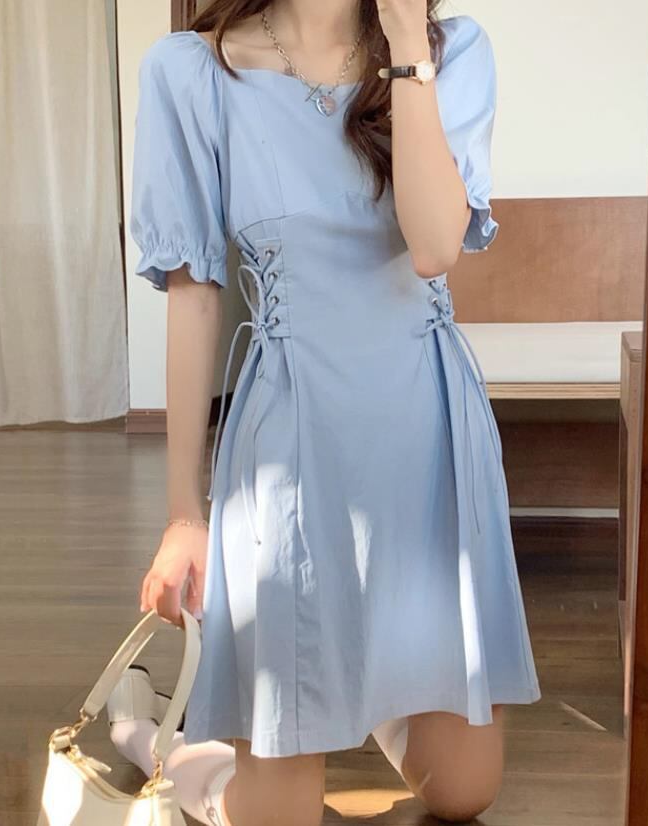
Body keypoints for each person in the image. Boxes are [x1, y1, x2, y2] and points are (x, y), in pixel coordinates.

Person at [110, 1, 541, 824]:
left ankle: (359, 684)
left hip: (426, 433)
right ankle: (162, 746)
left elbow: (433, 248)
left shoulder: (452, 51)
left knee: (462, 794)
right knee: (278, 816)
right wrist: (183, 514)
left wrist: (406, 43)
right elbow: (194, 295)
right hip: (290, 435)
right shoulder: (192, 71)